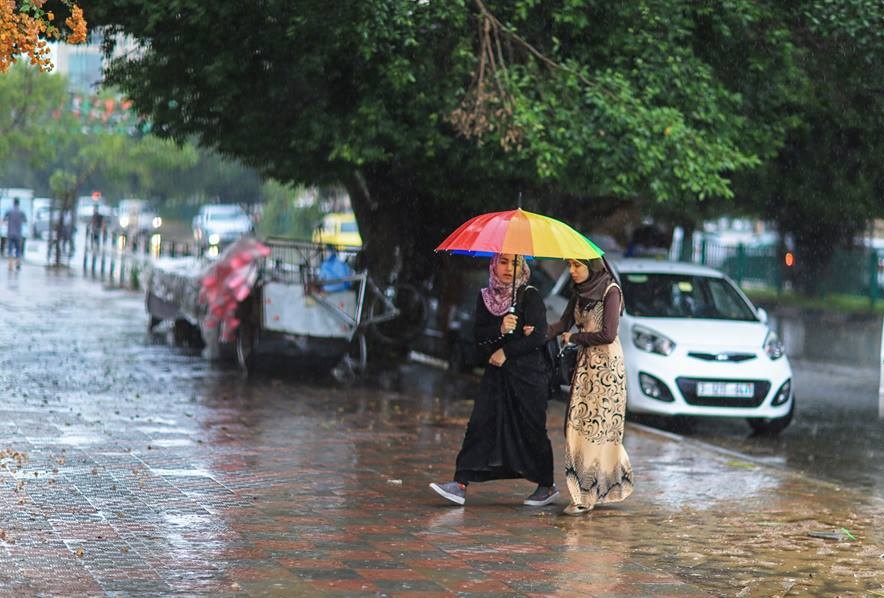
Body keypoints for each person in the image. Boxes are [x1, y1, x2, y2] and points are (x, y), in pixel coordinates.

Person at [430, 253, 558, 507]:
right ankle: (460, 482)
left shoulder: (530, 295)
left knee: (531, 429)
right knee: (480, 424)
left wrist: (506, 351)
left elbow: (538, 336)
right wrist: (500, 328)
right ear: (493, 265)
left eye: (515, 263)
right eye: (503, 262)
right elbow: (479, 337)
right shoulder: (485, 297)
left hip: (528, 378)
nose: (509, 268)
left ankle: (546, 484)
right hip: (497, 377)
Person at [548, 257, 633, 515]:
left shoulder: (611, 291)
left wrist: (575, 337)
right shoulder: (579, 292)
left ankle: (584, 496)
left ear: (591, 265)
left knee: (595, 429)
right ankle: (610, 483)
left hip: (606, 369)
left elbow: (608, 334)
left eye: (576, 265)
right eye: (569, 266)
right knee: (575, 427)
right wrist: (531, 331)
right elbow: (562, 324)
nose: (571, 271)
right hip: (584, 367)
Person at [3, 198, 27, 271]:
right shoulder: (21, 212)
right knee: (18, 250)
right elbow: (25, 221)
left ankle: (10, 266)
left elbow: (4, 219)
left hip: (10, 233)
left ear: (13, 203)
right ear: (18, 203)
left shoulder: (9, 211)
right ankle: (18, 264)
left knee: (10, 250)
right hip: (18, 234)